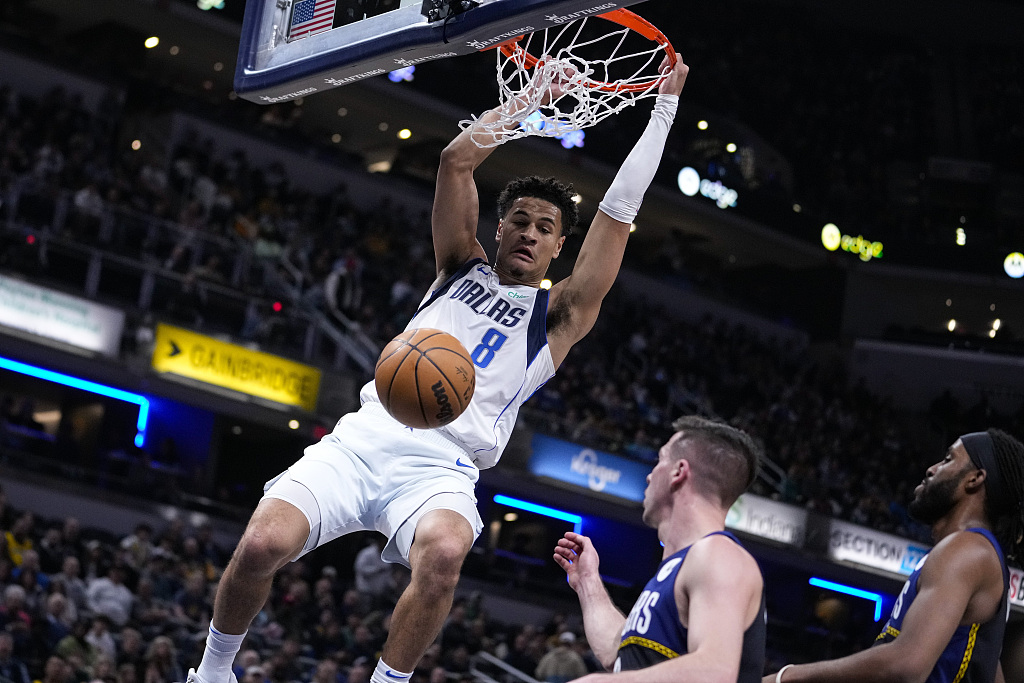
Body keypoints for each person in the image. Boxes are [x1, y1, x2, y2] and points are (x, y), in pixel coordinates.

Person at [187, 53, 689, 683]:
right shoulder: (459, 265)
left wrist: (663, 112)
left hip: (444, 464)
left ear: (560, 246)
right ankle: (212, 670)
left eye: (546, 229)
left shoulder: (559, 313)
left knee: (447, 552)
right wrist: (531, 97)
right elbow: (456, 160)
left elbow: (616, 219)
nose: (530, 235)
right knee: (261, 544)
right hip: (367, 436)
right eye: (520, 222)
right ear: (499, 229)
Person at [764, 428, 1024, 683]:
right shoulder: (974, 555)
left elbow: (907, 666)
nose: (932, 468)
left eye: (948, 459)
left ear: (975, 479)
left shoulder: (967, 549)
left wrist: (789, 676)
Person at [554, 416, 766, 682]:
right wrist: (587, 582)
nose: (650, 474)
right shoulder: (681, 566)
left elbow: (715, 672)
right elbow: (618, 654)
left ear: (678, 472)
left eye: (659, 460)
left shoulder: (719, 556)